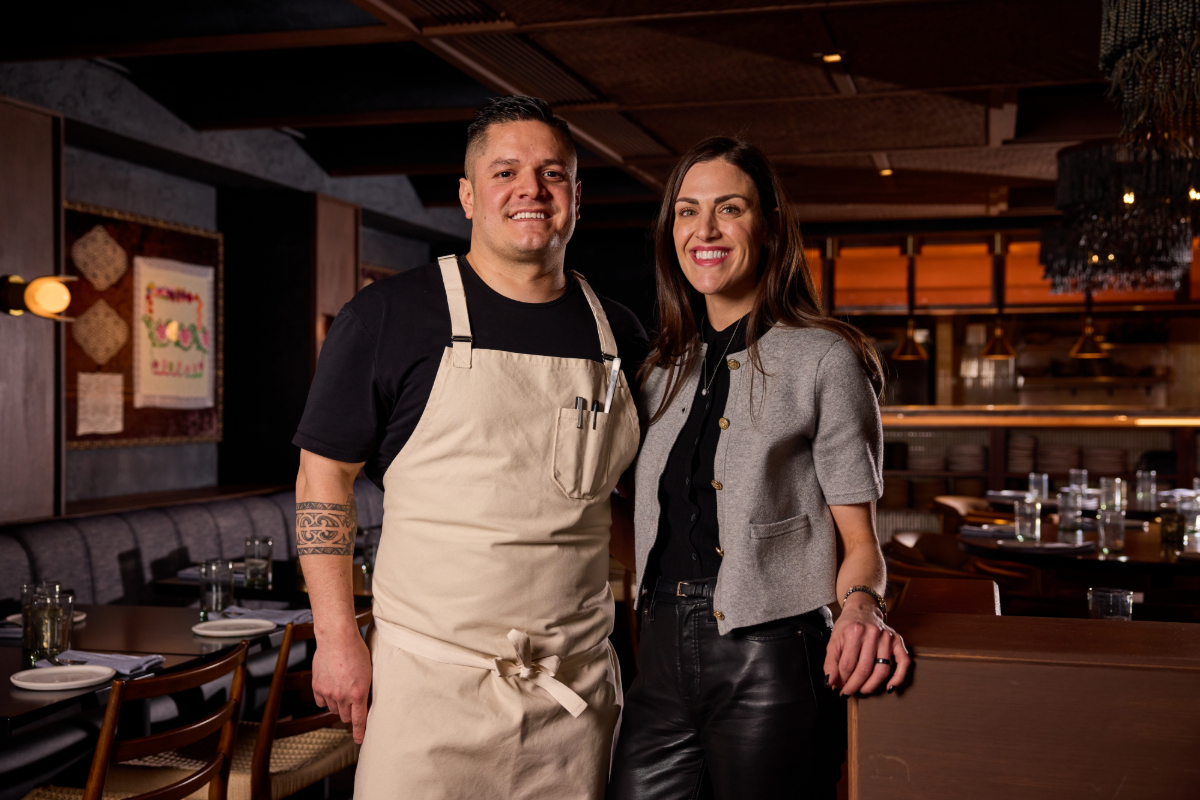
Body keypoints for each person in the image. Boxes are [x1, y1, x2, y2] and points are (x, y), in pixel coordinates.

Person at [292, 95, 647, 800]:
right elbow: (323, 476)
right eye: (505, 171)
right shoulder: (390, 315)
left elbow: (635, 505)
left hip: (572, 695)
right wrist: (335, 638)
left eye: (552, 173)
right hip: (429, 685)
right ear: (467, 195)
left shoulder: (622, 337)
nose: (530, 190)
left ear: (577, 197)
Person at [608, 136, 910, 800]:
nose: (705, 230)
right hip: (656, 662)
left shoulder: (824, 359)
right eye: (687, 212)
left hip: (772, 660)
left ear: (769, 229)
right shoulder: (658, 371)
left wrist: (862, 607)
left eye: (729, 208)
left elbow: (862, 544)